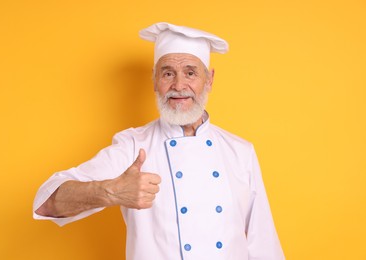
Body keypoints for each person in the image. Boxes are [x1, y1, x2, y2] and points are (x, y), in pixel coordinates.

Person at [33, 22, 285, 260]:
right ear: (155, 80)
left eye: (190, 73)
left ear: (209, 80)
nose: (179, 85)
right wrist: (111, 191)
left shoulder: (240, 151)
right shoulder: (132, 146)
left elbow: (264, 245)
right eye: (167, 73)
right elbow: (46, 204)